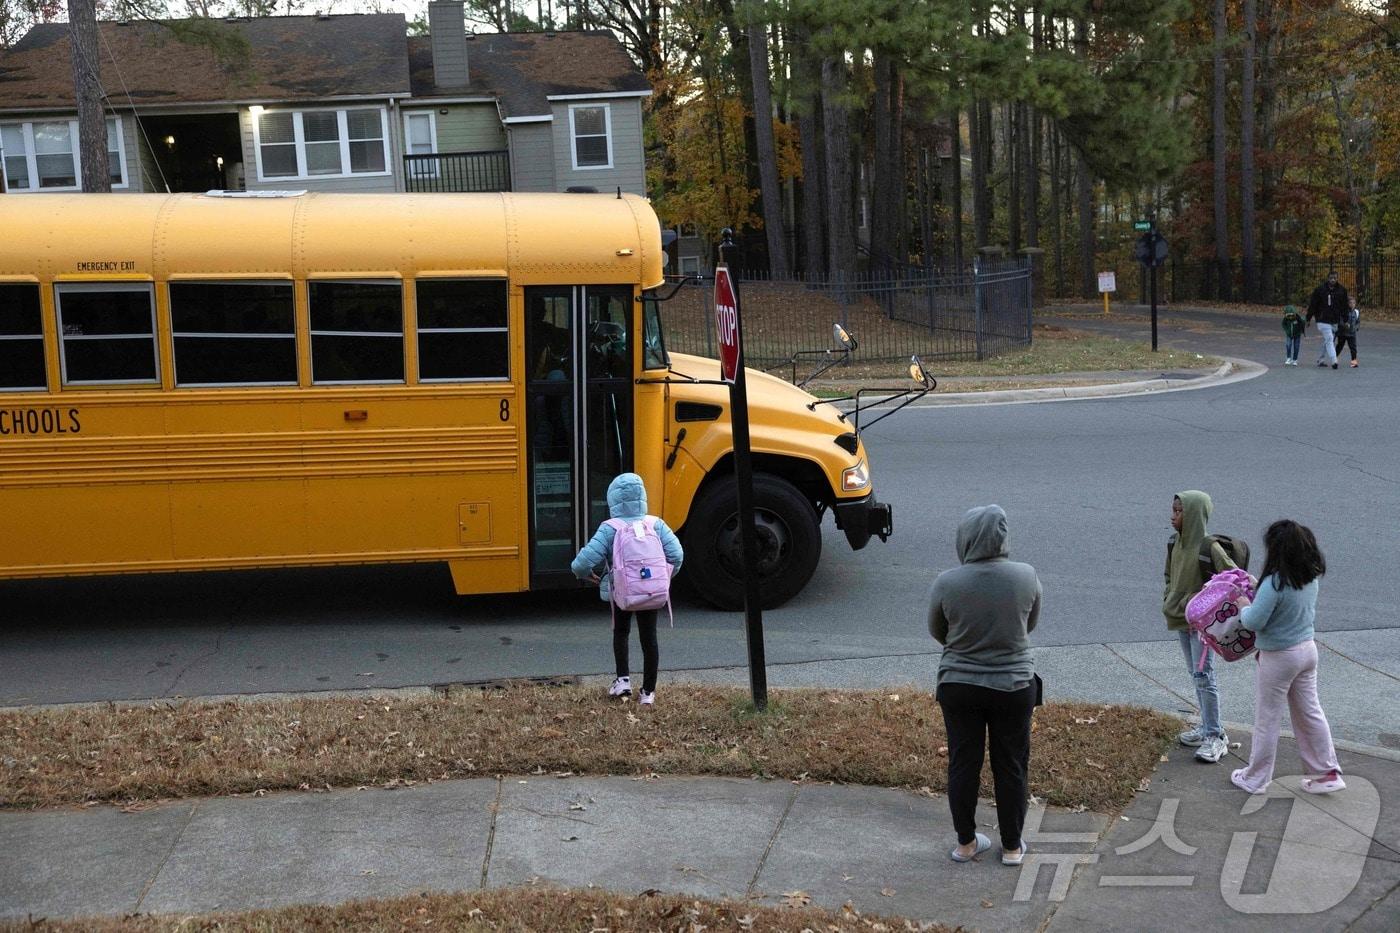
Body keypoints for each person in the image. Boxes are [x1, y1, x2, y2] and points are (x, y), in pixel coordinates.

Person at [928, 505, 1042, 866]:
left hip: (959, 685)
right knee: (1010, 764)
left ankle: (965, 844)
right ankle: (1011, 847)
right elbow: (1030, 623)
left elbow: (938, 631)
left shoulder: (947, 582)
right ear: (1002, 536)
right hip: (1013, 685)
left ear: (966, 538)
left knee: (963, 762)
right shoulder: (1026, 576)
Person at [1231, 520, 1344, 795]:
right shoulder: (1309, 576)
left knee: (1268, 719)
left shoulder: (1275, 582)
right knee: (1310, 713)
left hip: (1279, 657)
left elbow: (1254, 621)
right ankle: (1327, 773)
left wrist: (1244, 605)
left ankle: (1256, 779)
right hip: (1307, 650)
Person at [570, 473, 682, 706]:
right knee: (649, 638)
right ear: (642, 497)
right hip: (651, 591)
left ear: (613, 500)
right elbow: (677, 555)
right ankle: (648, 693)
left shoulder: (610, 528)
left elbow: (582, 563)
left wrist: (584, 575)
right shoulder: (656, 524)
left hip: (622, 591)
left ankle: (622, 680)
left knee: (621, 632)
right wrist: (663, 578)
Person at [1164, 491, 1237, 763]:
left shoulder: (1210, 548)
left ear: (1193, 514)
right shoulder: (1174, 543)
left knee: (1204, 676)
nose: (1173, 516)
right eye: (1173, 510)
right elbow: (1169, 576)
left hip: (1202, 627)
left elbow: (1233, 579)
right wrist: (1170, 600)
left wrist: (1208, 608)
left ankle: (1215, 736)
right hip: (1181, 619)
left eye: (1179, 511)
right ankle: (1207, 726)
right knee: (1196, 675)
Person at [1305, 271, 1348, 369]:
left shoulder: (1342, 290)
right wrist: (1308, 318)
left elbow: (1344, 306)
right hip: (1322, 319)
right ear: (1328, 278)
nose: (1333, 280)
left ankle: (1320, 359)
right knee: (1329, 339)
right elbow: (1313, 304)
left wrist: (1346, 319)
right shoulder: (1320, 290)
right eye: (1331, 278)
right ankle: (1334, 361)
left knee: (1328, 340)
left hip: (1334, 320)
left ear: (1337, 279)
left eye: (1335, 278)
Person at [1334, 295, 1360, 368]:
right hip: (1343, 333)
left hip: (1352, 333)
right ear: (1347, 304)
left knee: (1353, 348)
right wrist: (1344, 324)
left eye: (1354, 303)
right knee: (1339, 346)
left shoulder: (1356, 312)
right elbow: (1340, 321)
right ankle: (1334, 358)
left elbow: (1358, 322)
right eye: (1350, 303)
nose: (1352, 305)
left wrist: (1356, 327)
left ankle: (1354, 362)